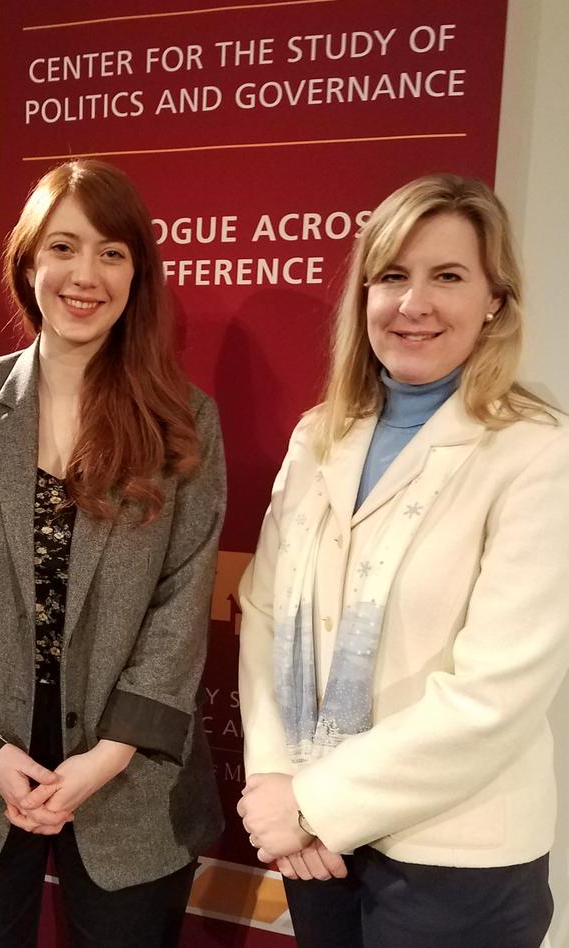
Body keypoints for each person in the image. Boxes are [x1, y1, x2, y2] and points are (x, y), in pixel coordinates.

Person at [0, 159, 226, 947]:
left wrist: (105, 759)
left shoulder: (185, 419)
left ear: (137, 273)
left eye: (112, 252)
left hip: (129, 772)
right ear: (29, 263)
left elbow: (181, 603)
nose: (87, 275)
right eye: (64, 248)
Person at [236, 173, 569, 947]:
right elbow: (262, 612)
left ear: (495, 300)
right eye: (392, 276)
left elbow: (492, 696)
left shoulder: (537, 452)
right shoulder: (321, 433)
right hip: (318, 846)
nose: (413, 303)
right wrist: (277, 779)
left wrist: (316, 803)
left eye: (447, 276)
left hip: (452, 857)